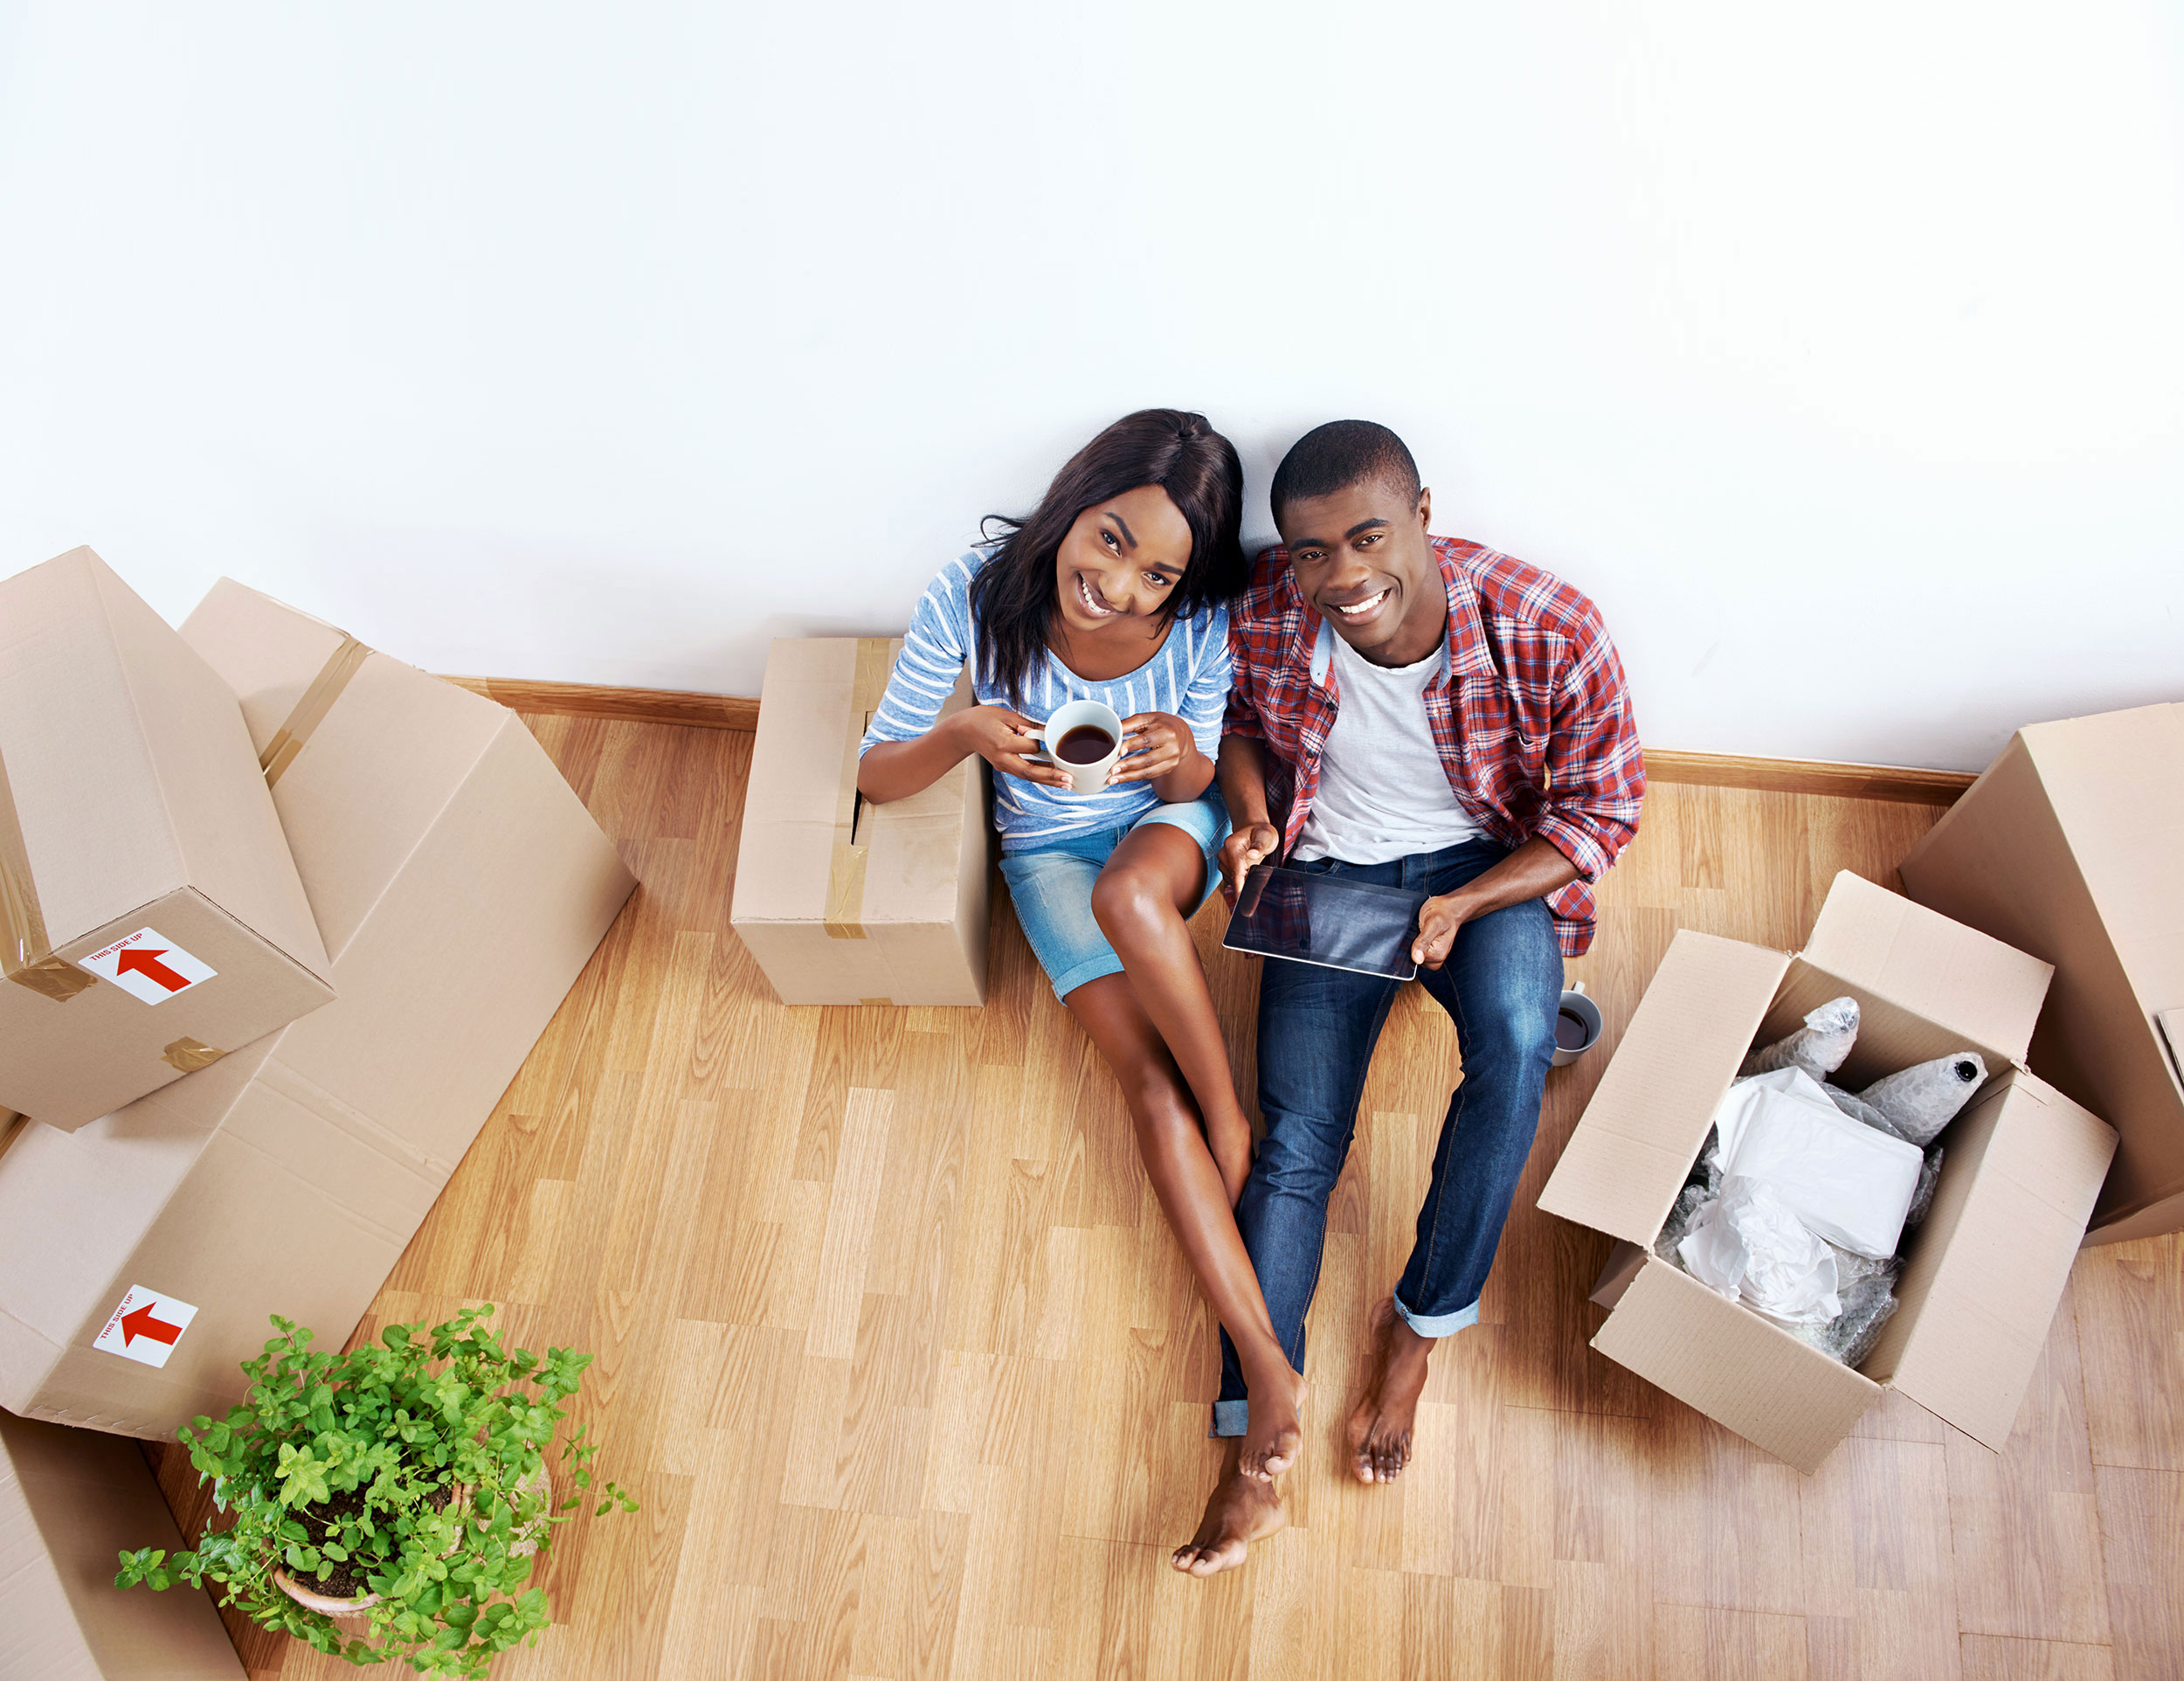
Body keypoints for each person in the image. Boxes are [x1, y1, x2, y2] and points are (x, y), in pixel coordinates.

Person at [1171, 420, 1644, 1576]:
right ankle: (1253, 1440)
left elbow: (1599, 812)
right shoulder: (1271, 608)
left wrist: (1468, 903)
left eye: (1368, 538)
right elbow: (1238, 726)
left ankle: (1418, 1330)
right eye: (1312, 551)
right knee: (1297, 1144)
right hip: (1328, 869)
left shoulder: (1550, 625)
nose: (1341, 577)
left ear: (1424, 515)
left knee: (1517, 1048)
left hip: (1480, 868)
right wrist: (1250, 815)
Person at [857, 408, 1310, 1485]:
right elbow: (876, 774)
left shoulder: (1196, 626)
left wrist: (1181, 752)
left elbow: (1200, 782)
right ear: (1074, 500)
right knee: (1147, 1091)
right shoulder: (973, 595)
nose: (1117, 585)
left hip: (1164, 830)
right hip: (1045, 853)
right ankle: (1266, 1366)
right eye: (1110, 539)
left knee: (1130, 898)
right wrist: (964, 732)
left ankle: (1230, 1119)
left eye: (1156, 574)